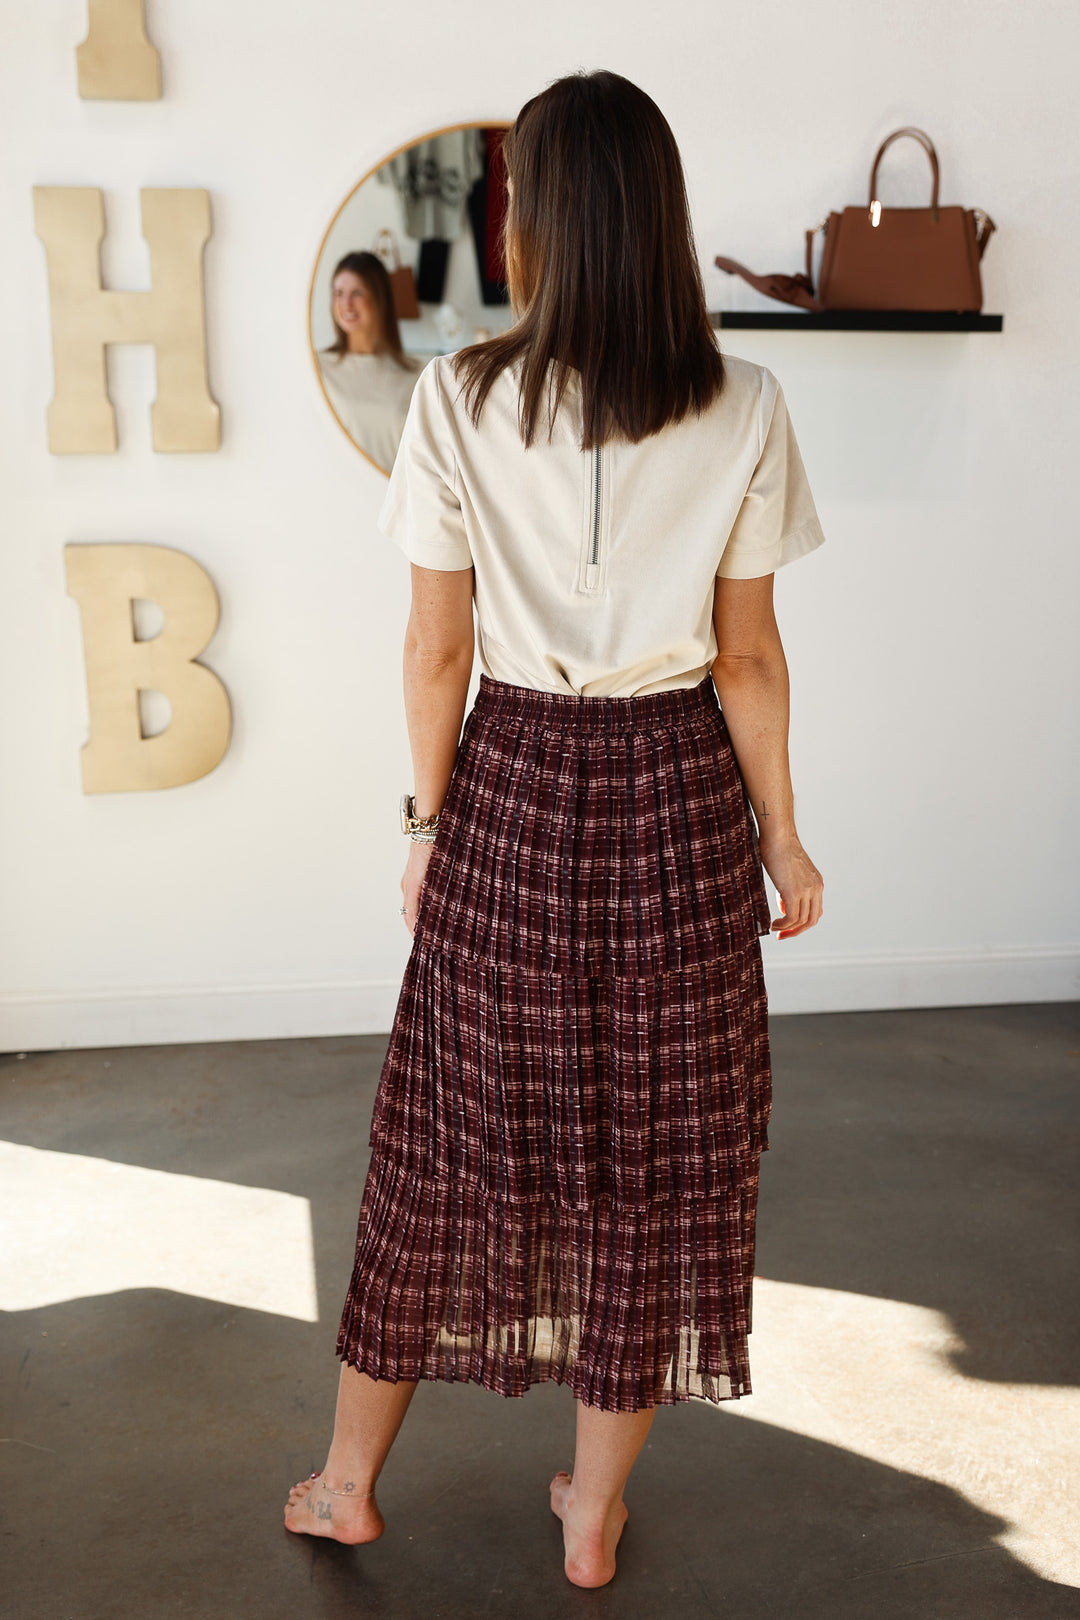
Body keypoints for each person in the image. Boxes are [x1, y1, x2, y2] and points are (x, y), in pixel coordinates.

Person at [286, 69, 825, 1588]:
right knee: (652, 1156)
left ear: (537, 221)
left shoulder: (459, 398)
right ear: (658, 218)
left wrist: (425, 822)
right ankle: (590, 1518)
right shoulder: (745, 401)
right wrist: (783, 837)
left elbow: (432, 653)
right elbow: (753, 660)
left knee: (446, 1144)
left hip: (514, 787)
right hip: (676, 795)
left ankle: (345, 1483)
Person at [316, 250, 422, 471]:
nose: (346, 304)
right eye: (338, 293)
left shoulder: (415, 375)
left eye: (357, 293)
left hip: (392, 499)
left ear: (379, 297)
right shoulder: (318, 368)